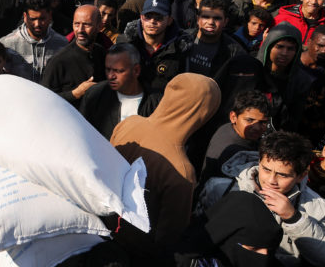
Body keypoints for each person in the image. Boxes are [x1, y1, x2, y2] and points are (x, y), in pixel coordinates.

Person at [197, 131, 325, 267]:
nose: (271, 180)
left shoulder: (317, 207)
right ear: (259, 161)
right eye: (266, 170)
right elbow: (196, 236)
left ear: (301, 175)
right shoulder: (221, 188)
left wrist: (294, 219)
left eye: (282, 175)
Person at [112, 73, 220, 249]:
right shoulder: (182, 170)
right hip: (137, 254)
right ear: (203, 113)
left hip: (103, 231)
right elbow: (169, 237)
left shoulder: (129, 123)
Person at [80, 43, 161, 141]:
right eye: (108, 70)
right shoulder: (95, 95)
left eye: (118, 71)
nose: (111, 76)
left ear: (136, 70)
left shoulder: (157, 103)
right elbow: (83, 135)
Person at [41, 5, 107, 106]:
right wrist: (75, 93)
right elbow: (44, 99)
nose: (80, 30)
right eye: (77, 24)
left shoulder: (101, 53)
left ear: (99, 26)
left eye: (87, 25)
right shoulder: (59, 61)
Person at [201, 90, 271, 182]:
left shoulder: (229, 128)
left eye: (263, 122)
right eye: (249, 120)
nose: (257, 127)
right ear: (233, 117)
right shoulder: (232, 152)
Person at [0, 0, 69, 81]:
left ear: (50, 16)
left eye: (42, 19)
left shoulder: (63, 45)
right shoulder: (6, 45)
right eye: (32, 19)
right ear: (25, 17)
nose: (37, 24)